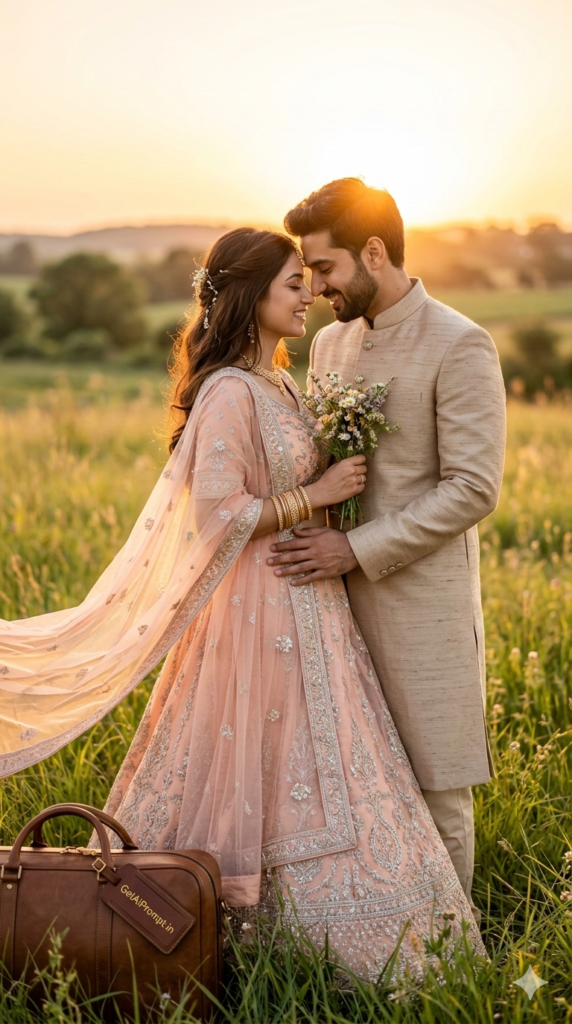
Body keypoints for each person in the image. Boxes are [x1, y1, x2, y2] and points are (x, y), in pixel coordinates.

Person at [0, 227, 485, 981]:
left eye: (311, 277)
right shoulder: (229, 389)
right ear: (252, 295)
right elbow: (216, 514)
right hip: (257, 608)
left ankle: (353, 941)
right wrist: (313, 496)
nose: (310, 294)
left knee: (328, 766)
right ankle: (206, 935)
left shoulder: (283, 382)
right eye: (294, 282)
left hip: (313, 604)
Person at [269, 179, 507, 925]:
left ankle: (452, 959)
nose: (316, 288)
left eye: (325, 267)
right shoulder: (329, 343)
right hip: (326, 605)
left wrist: (355, 549)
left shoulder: (460, 342)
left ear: (373, 251)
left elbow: (473, 488)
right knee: (348, 782)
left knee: (436, 789)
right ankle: (369, 937)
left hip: (420, 609)